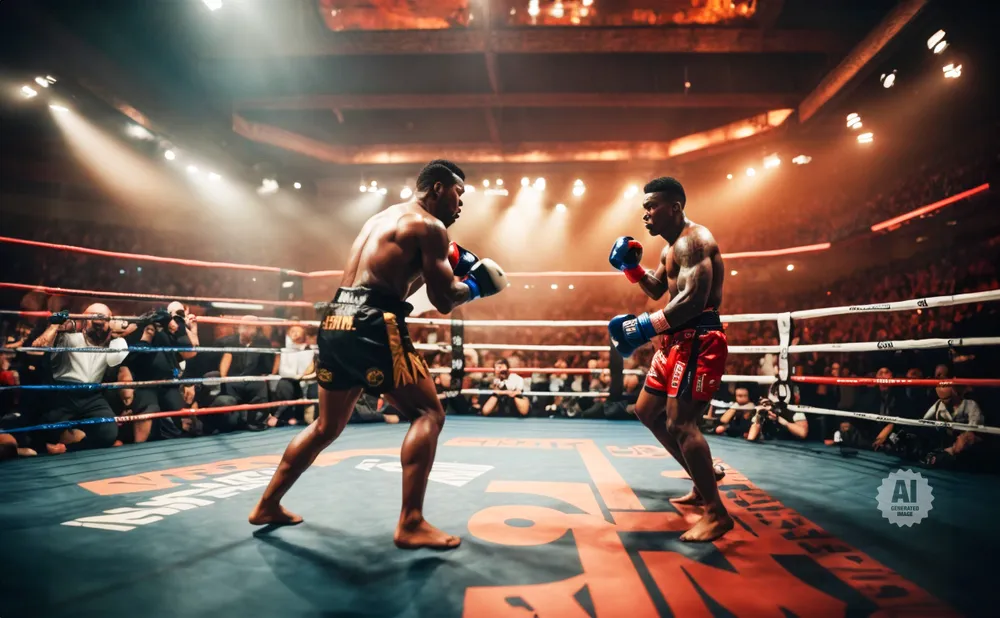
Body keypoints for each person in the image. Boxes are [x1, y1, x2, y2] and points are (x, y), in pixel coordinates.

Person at [249, 160, 508, 549]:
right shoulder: (430, 227)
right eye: (459, 194)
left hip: (335, 319)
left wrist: (435, 270)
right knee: (428, 414)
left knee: (326, 426)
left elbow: (391, 277)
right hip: (373, 323)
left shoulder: (384, 218)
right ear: (437, 188)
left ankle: (267, 504)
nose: (461, 205)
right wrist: (474, 285)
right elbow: (443, 301)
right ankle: (411, 522)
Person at [607, 176, 733, 542]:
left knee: (682, 424)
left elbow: (694, 298)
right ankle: (701, 480)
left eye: (652, 207)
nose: (645, 215)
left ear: (675, 207)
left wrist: (645, 327)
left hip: (699, 338)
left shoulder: (694, 241)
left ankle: (716, 512)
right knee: (646, 411)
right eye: (644, 208)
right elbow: (659, 289)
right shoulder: (670, 247)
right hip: (677, 340)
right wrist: (632, 269)